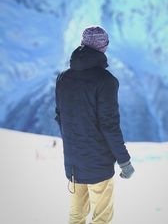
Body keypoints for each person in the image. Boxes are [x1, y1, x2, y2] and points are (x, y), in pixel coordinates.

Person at [55, 26, 134, 224]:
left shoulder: (63, 78)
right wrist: (124, 162)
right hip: (98, 164)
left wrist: (73, 143)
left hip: (73, 163)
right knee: (102, 218)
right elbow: (110, 126)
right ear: (103, 48)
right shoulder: (106, 82)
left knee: (76, 216)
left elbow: (60, 117)